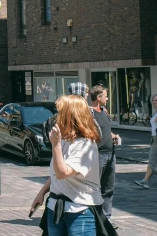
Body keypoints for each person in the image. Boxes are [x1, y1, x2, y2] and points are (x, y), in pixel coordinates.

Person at [29, 94, 116, 236]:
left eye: (61, 112)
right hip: (56, 208)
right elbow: (56, 172)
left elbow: (63, 173)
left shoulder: (85, 144)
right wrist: (42, 192)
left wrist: (55, 145)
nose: (57, 116)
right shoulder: (64, 139)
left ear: (71, 115)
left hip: (80, 210)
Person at [90, 85, 120, 228]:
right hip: (98, 155)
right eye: (105, 96)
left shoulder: (105, 112)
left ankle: (107, 218)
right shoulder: (90, 114)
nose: (107, 98)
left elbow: (106, 131)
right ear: (98, 98)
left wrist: (113, 136)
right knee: (96, 187)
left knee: (108, 188)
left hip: (111, 153)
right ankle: (95, 217)